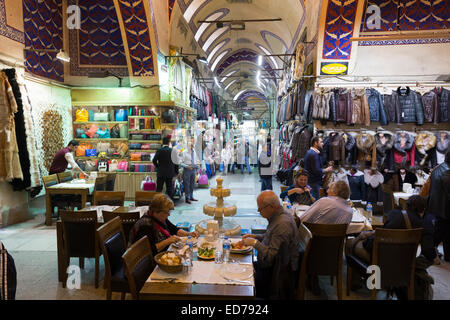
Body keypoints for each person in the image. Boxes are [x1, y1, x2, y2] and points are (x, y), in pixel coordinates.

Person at [346, 195, 438, 294]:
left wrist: (364, 237)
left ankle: (359, 282)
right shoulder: (425, 226)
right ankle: (380, 281)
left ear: (407, 205)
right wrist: (435, 258)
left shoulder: (394, 214)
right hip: (404, 263)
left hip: (380, 258)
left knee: (352, 243)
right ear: (423, 210)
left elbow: (381, 235)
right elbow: (429, 251)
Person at [239, 191, 300, 299]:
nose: (258, 211)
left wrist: (254, 243)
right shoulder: (278, 216)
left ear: (271, 207)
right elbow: (272, 236)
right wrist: (256, 236)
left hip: (275, 273)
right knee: (241, 266)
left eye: (260, 208)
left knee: (240, 280)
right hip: (271, 265)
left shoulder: (282, 224)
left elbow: (271, 254)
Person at [128, 194, 199, 253]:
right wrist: (167, 241)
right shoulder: (145, 226)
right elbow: (149, 251)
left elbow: (174, 229)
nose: (168, 214)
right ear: (156, 211)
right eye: (166, 212)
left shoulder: (159, 217)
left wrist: (189, 234)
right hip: (148, 263)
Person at [428, 150, 450, 262]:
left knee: (443, 230)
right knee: (442, 231)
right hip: (445, 207)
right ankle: (429, 252)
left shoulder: (438, 167)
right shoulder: (448, 172)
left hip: (437, 205)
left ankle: (435, 252)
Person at [180, 138, 200, 204]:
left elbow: (196, 160)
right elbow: (181, 162)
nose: (191, 146)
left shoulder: (194, 152)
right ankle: (187, 198)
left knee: (192, 184)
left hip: (193, 170)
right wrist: (187, 166)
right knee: (187, 185)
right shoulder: (184, 152)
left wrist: (197, 169)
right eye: (189, 145)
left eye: (192, 145)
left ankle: (191, 196)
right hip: (187, 171)